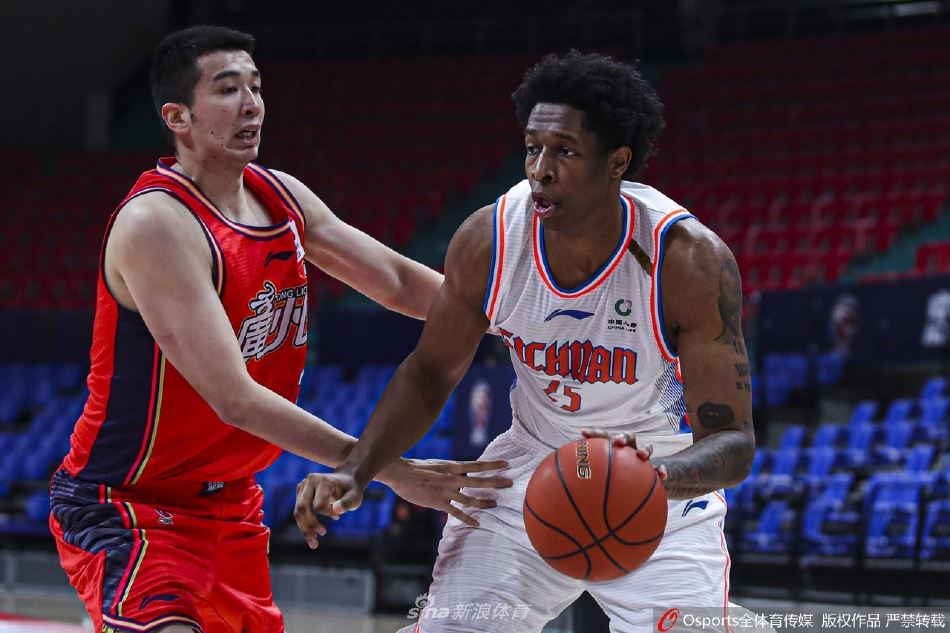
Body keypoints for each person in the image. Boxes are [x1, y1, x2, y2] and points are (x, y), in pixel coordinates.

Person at [48, 25, 509, 633]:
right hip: (130, 504)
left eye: (256, 87)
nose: (252, 105)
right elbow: (235, 400)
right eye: (227, 89)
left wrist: (516, 322)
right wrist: (386, 468)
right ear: (177, 117)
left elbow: (398, 282)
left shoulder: (280, 196)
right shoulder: (157, 225)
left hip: (231, 505)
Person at [296, 51, 757, 632]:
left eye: (565, 152)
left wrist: (649, 480)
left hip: (661, 480)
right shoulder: (490, 240)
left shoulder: (686, 260)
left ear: (617, 162)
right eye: (533, 148)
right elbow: (430, 372)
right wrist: (357, 470)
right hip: (531, 470)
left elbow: (733, 441)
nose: (540, 169)